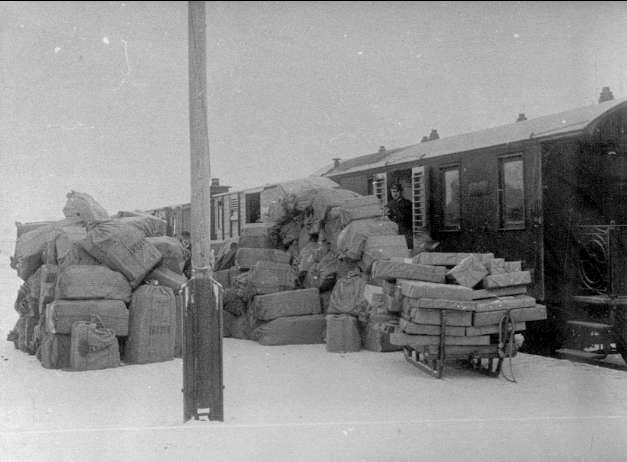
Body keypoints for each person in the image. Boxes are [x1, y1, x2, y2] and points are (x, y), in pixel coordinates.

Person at [384, 183, 413, 249]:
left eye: (397, 191)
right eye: (393, 192)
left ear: (400, 192)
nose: (395, 193)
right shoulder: (389, 204)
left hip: (406, 233)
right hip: (394, 233)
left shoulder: (407, 203)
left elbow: (406, 217)